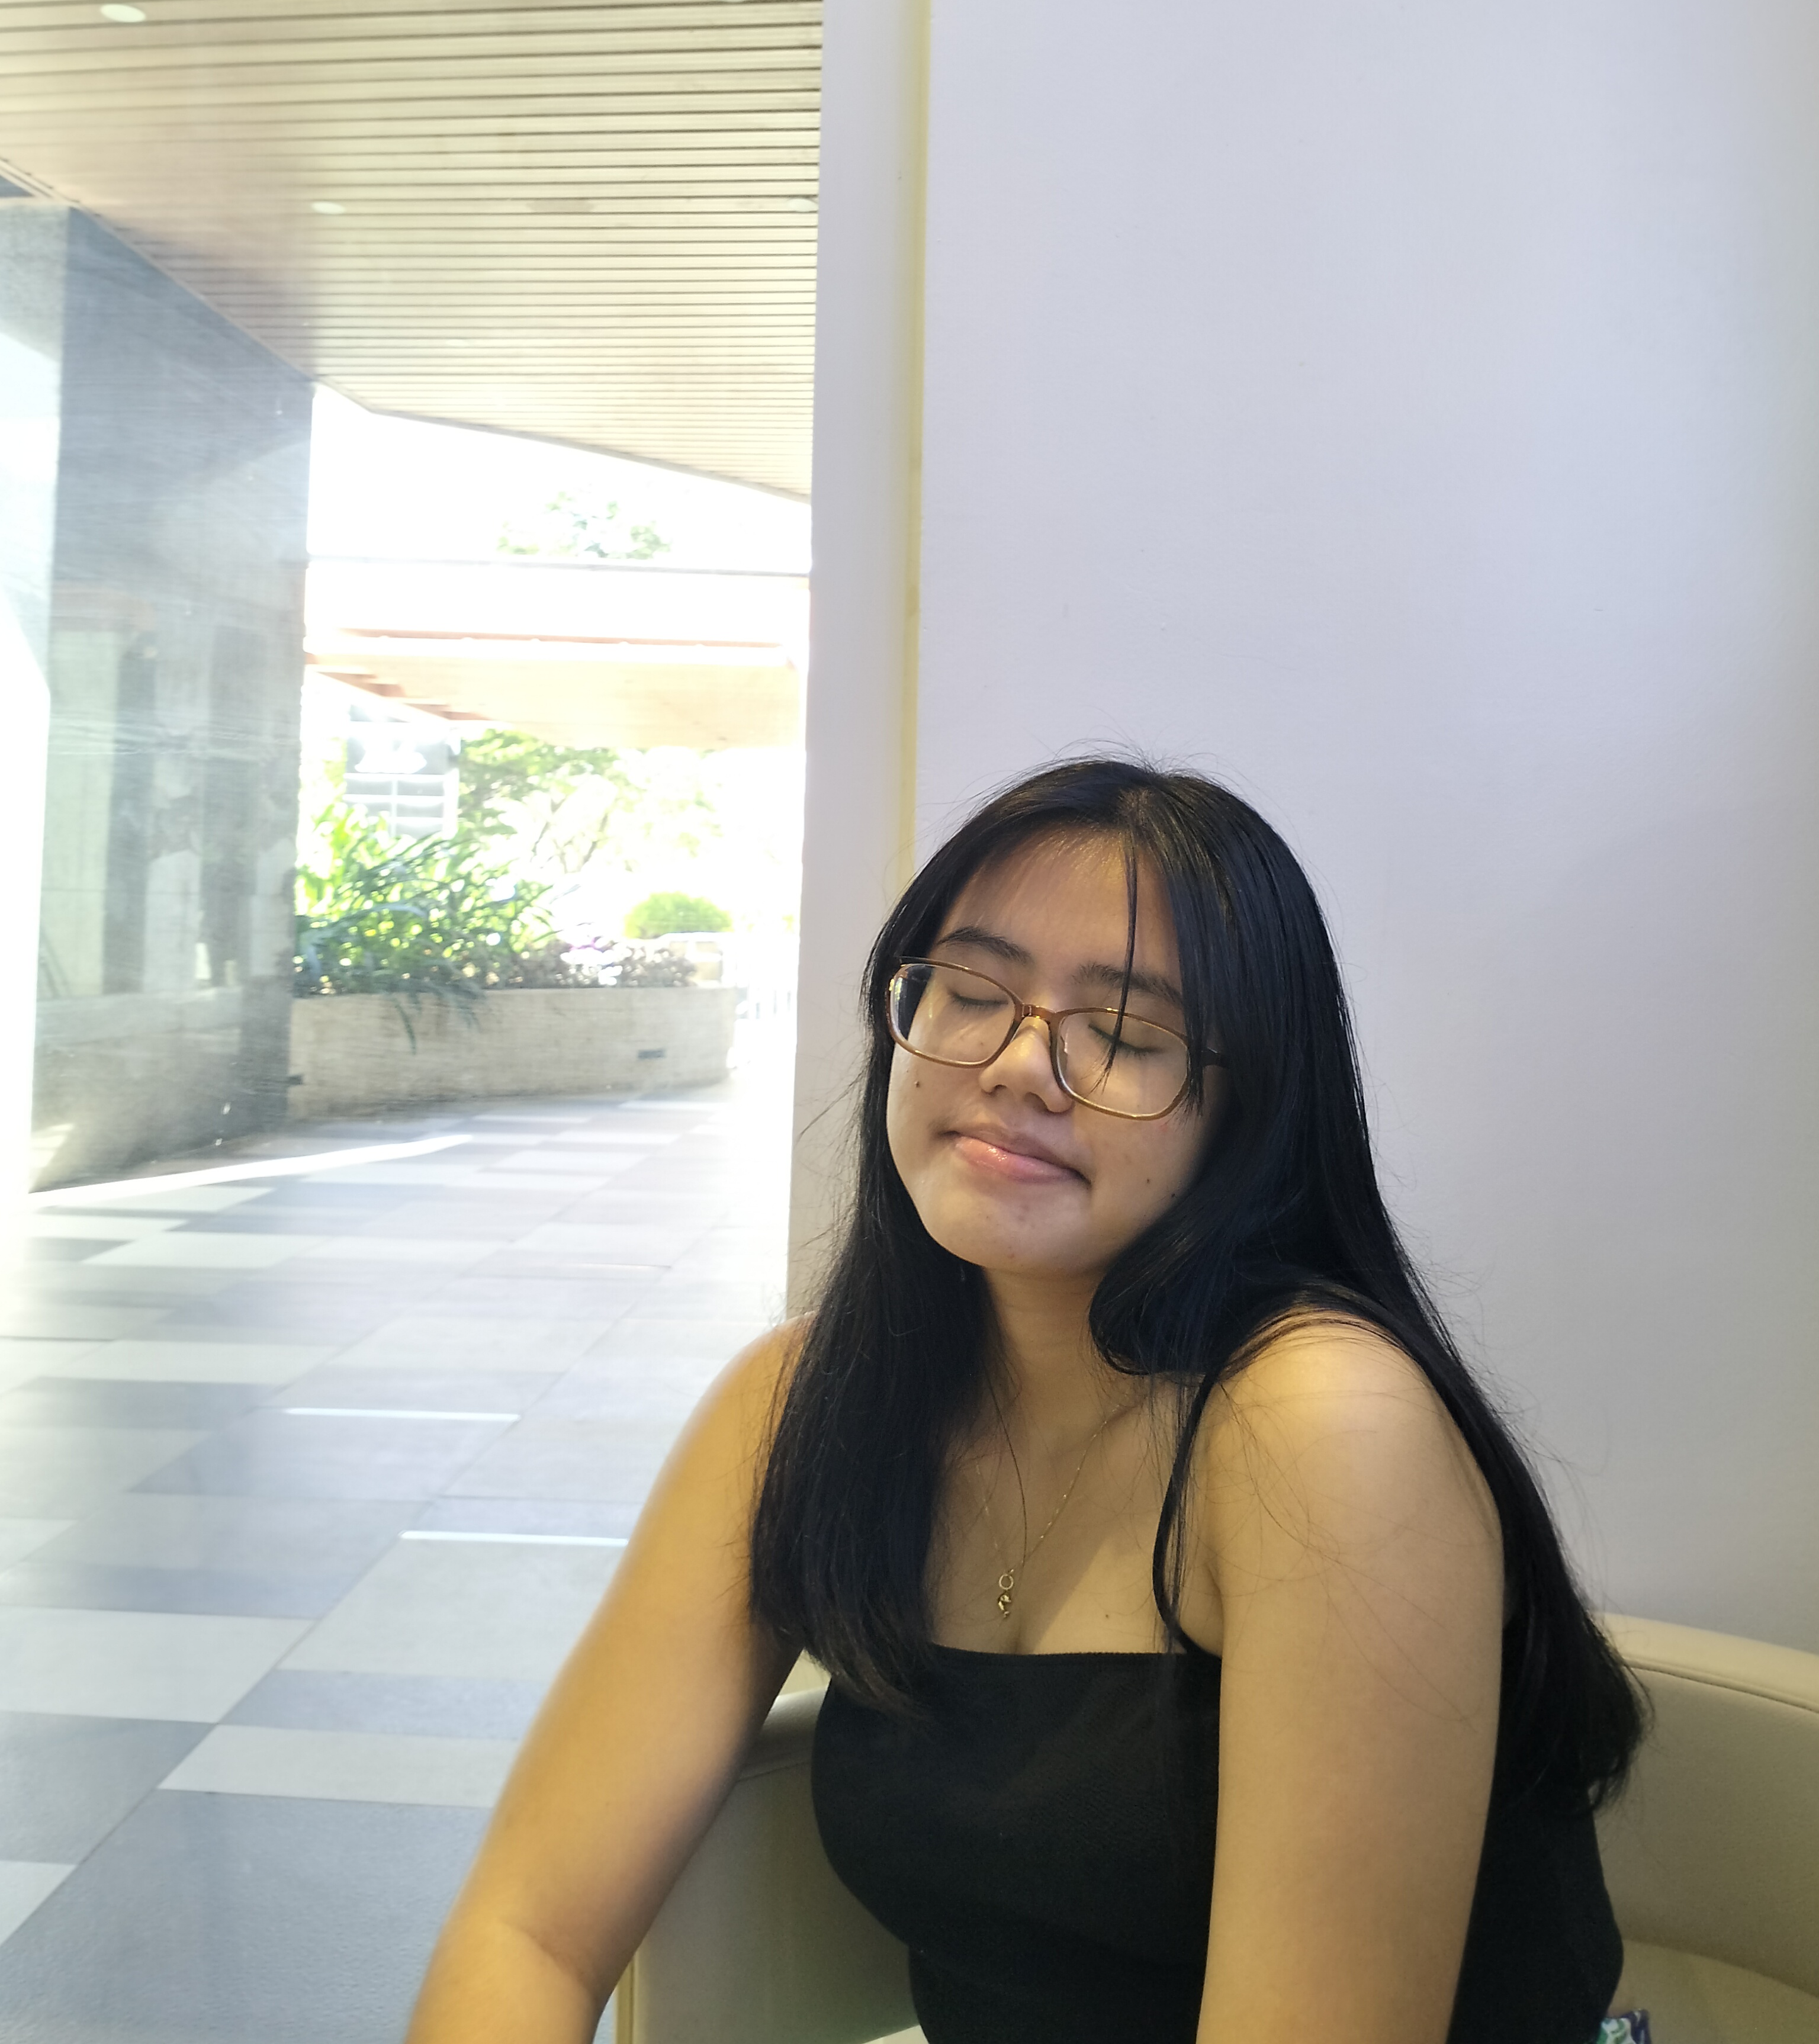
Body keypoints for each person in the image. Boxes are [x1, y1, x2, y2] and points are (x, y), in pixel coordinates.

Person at [406, 758, 1648, 2044]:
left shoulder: (1323, 1426)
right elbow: (528, 1930)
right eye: (971, 991)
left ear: (1249, 1117)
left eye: (1125, 1035)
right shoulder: (797, 1405)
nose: (1019, 1065)